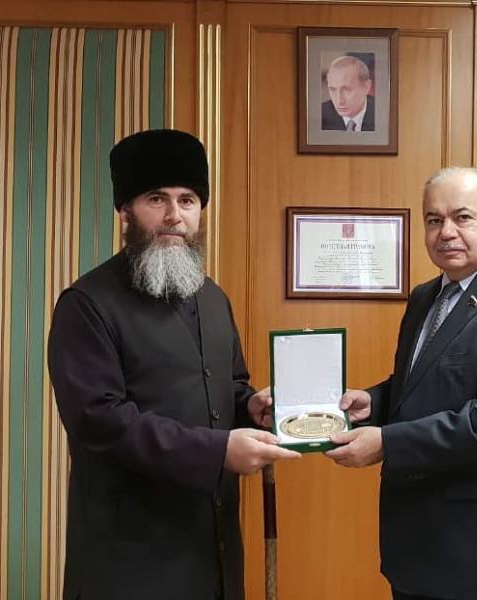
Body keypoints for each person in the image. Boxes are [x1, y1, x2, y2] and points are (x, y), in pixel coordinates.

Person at [47, 129, 299, 600]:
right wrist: (218, 452)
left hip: (215, 557)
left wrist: (253, 408)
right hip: (129, 565)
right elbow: (100, 421)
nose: (173, 216)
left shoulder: (213, 297)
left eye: (187, 200)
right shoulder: (87, 304)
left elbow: (230, 387)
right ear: (125, 210)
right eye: (156, 199)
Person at [326, 167, 477, 600]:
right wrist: (375, 401)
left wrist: (387, 442)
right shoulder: (425, 297)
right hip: (416, 545)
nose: (446, 232)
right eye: (434, 220)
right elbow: (423, 383)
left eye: (463, 217)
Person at [321, 55, 375, 132]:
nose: (339, 101)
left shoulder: (383, 113)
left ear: (366, 87)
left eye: (346, 90)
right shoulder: (320, 115)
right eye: (333, 90)